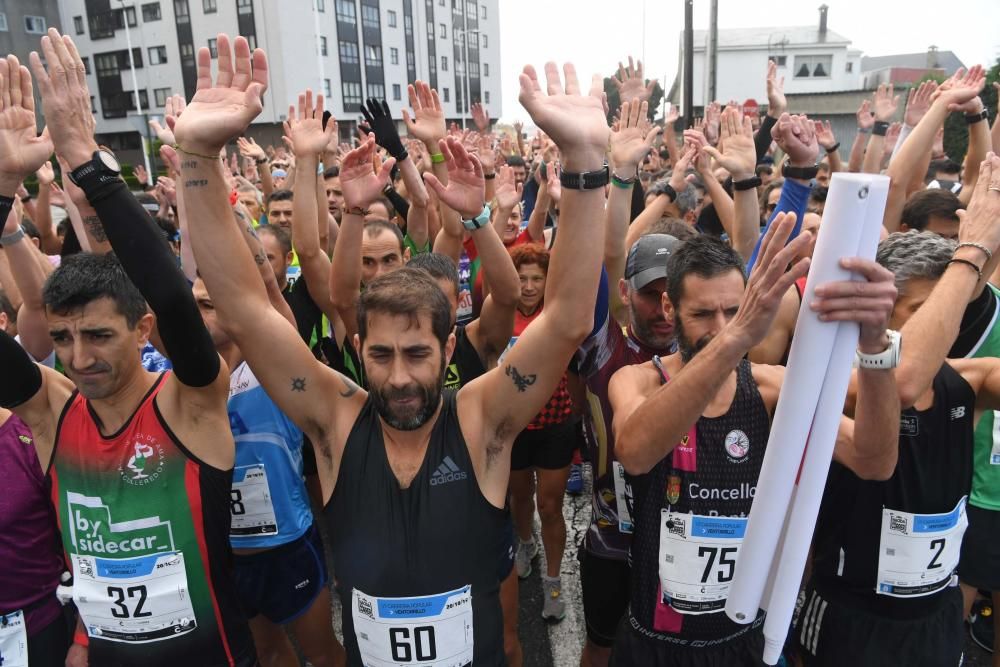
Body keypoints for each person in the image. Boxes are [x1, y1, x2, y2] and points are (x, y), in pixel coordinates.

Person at [175, 38, 609, 665]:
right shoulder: (336, 418)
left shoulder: (480, 418)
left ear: (450, 345)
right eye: (380, 356)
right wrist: (196, 155)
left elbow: (567, 318)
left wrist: (587, 159)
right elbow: (242, 308)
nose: (400, 377)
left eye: (417, 354)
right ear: (359, 347)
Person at [0, 34, 254, 666]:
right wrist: (3, 186)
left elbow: (172, 299)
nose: (78, 357)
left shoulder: (190, 402)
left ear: (141, 333)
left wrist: (87, 161)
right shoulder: (54, 415)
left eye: (98, 335)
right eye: (62, 339)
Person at [609, 221, 900, 665]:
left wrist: (877, 345)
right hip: (657, 641)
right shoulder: (639, 381)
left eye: (733, 310)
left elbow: (873, 460)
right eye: (704, 314)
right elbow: (635, 451)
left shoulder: (767, 389)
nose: (721, 326)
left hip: (743, 639)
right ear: (669, 308)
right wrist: (739, 336)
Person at [795, 158, 1000, 667]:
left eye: (946, 311)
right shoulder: (834, 382)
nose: (943, 326)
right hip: (852, 616)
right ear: (878, 308)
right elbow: (901, 381)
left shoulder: (969, 381)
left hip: (935, 616)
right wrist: (971, 254)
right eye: (922, 311)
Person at [505, 243, 579, 621]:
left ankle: (553, 580)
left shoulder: (557, 314)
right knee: (521, 497)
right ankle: (525, 542)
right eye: (522, 279)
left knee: (550, 506)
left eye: (537, 279)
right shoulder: (499, 315)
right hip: (516, 426)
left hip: (555, 424)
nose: (529, 286)